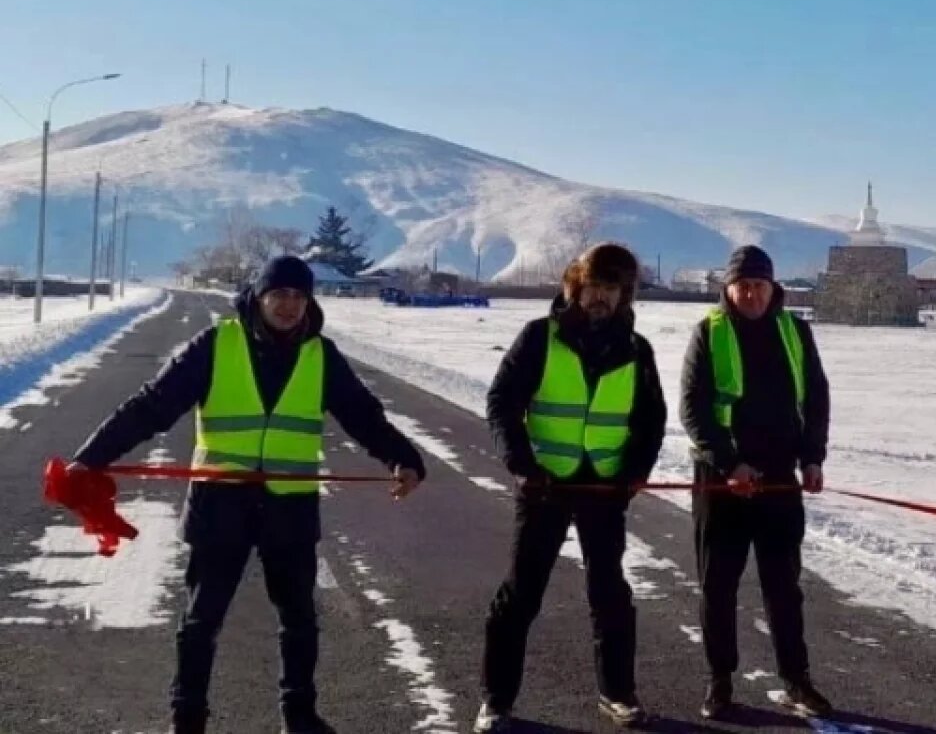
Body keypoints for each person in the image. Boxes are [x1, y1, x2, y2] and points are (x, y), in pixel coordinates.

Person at [67, 255, 426, 734]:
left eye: (299, 296)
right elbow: (152, 406)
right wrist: (91, 456)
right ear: (259, 295)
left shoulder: (322, 355)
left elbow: (364, 415)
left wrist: (403, 459)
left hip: (289, 506)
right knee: (201, 620)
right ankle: (187, 717)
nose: (288, 305)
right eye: (279, 294)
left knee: (299, 619)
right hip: (221, 503)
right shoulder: (217, 344)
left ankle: (299, 715)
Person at [474, 243, 667, 732]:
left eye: (610, 288)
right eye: (592, 286)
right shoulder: (540, 337)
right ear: (574, 287)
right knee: (521, 595)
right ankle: (496, 701)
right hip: (546, 485)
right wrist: (521, 463)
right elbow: (501, 402)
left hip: (604, 489)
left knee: (610, 595)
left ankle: (618, 694)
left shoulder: (637, 349)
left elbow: (651, 419)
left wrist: (635, 472)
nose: (599, 296)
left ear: (623, 294)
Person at [679, 244, 833, 720]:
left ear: (773, 289)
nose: (750, 294)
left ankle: (796, 679)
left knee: (784, 587)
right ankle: (720, 681)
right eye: (742, 285)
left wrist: (812, 458)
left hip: (779, 482)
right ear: (728, 288)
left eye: (759, 285)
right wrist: (729, 465)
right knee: (719, 587)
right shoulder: (709, 332)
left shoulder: (795, 331)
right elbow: (693, 408)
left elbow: (817, 397)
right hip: (721, 483)